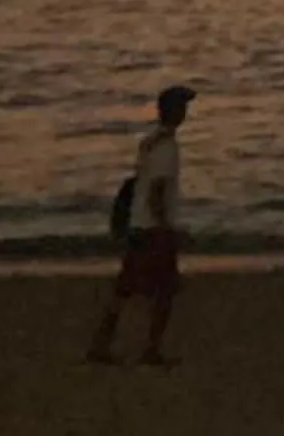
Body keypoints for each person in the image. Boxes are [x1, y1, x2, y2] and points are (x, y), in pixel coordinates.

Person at [88, 84, 195, 368]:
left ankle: (101, 343)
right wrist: (165, 228)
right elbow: (158, 191)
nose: (186, 112)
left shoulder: (149, 142)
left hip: (139, 224)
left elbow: (141, 183)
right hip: (154, 229)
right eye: (182, 106)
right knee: (164, 292)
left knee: (125, 289)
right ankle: (151, 349)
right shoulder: (167, 148)